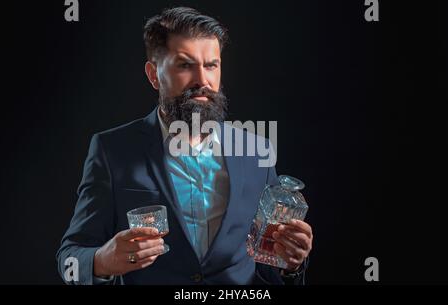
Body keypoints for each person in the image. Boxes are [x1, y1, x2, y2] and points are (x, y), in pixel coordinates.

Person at [56, 6, 313, 285]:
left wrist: (290, 264)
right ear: (154, 75)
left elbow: (268, 266)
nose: (202, 80)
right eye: (185, 65)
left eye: (211, 65)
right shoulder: (111, 151)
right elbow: (69, 258)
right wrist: (102, 261)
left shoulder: (255, 151)